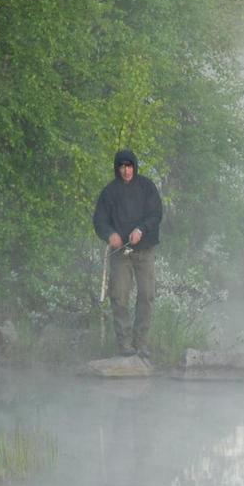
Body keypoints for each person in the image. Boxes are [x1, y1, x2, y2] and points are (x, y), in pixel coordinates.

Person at [93, 148, 164, 357]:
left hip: (145, 250)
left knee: (146, 295)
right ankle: (124, 345)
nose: (126, 171)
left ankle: (141, 343)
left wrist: (141, 229)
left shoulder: (147, 187)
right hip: (120, 254)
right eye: (122, 166)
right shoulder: (109, 192)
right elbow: (99, 221)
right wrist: (110, 234)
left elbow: (156, 214)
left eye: (129, 166)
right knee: (119, 298)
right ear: (117, 168)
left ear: (135, 166)